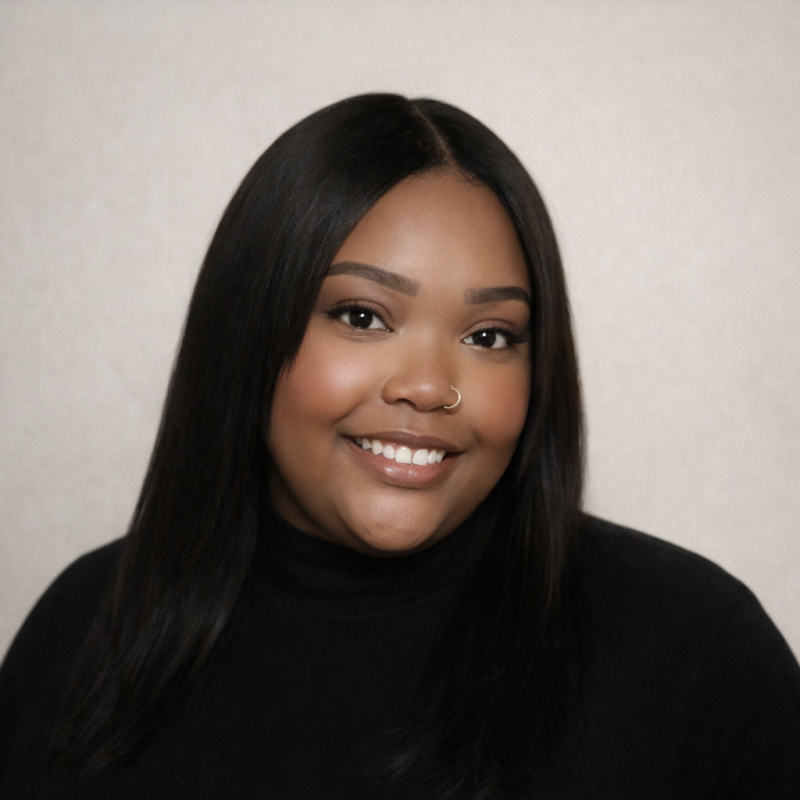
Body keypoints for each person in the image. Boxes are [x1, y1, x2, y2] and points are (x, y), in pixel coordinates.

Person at [1, 93, 798, 800]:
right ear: (249, 332)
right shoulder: (87, 626)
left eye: (490, 335)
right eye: (362, 317)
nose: (426, 385)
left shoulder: (694, 650)